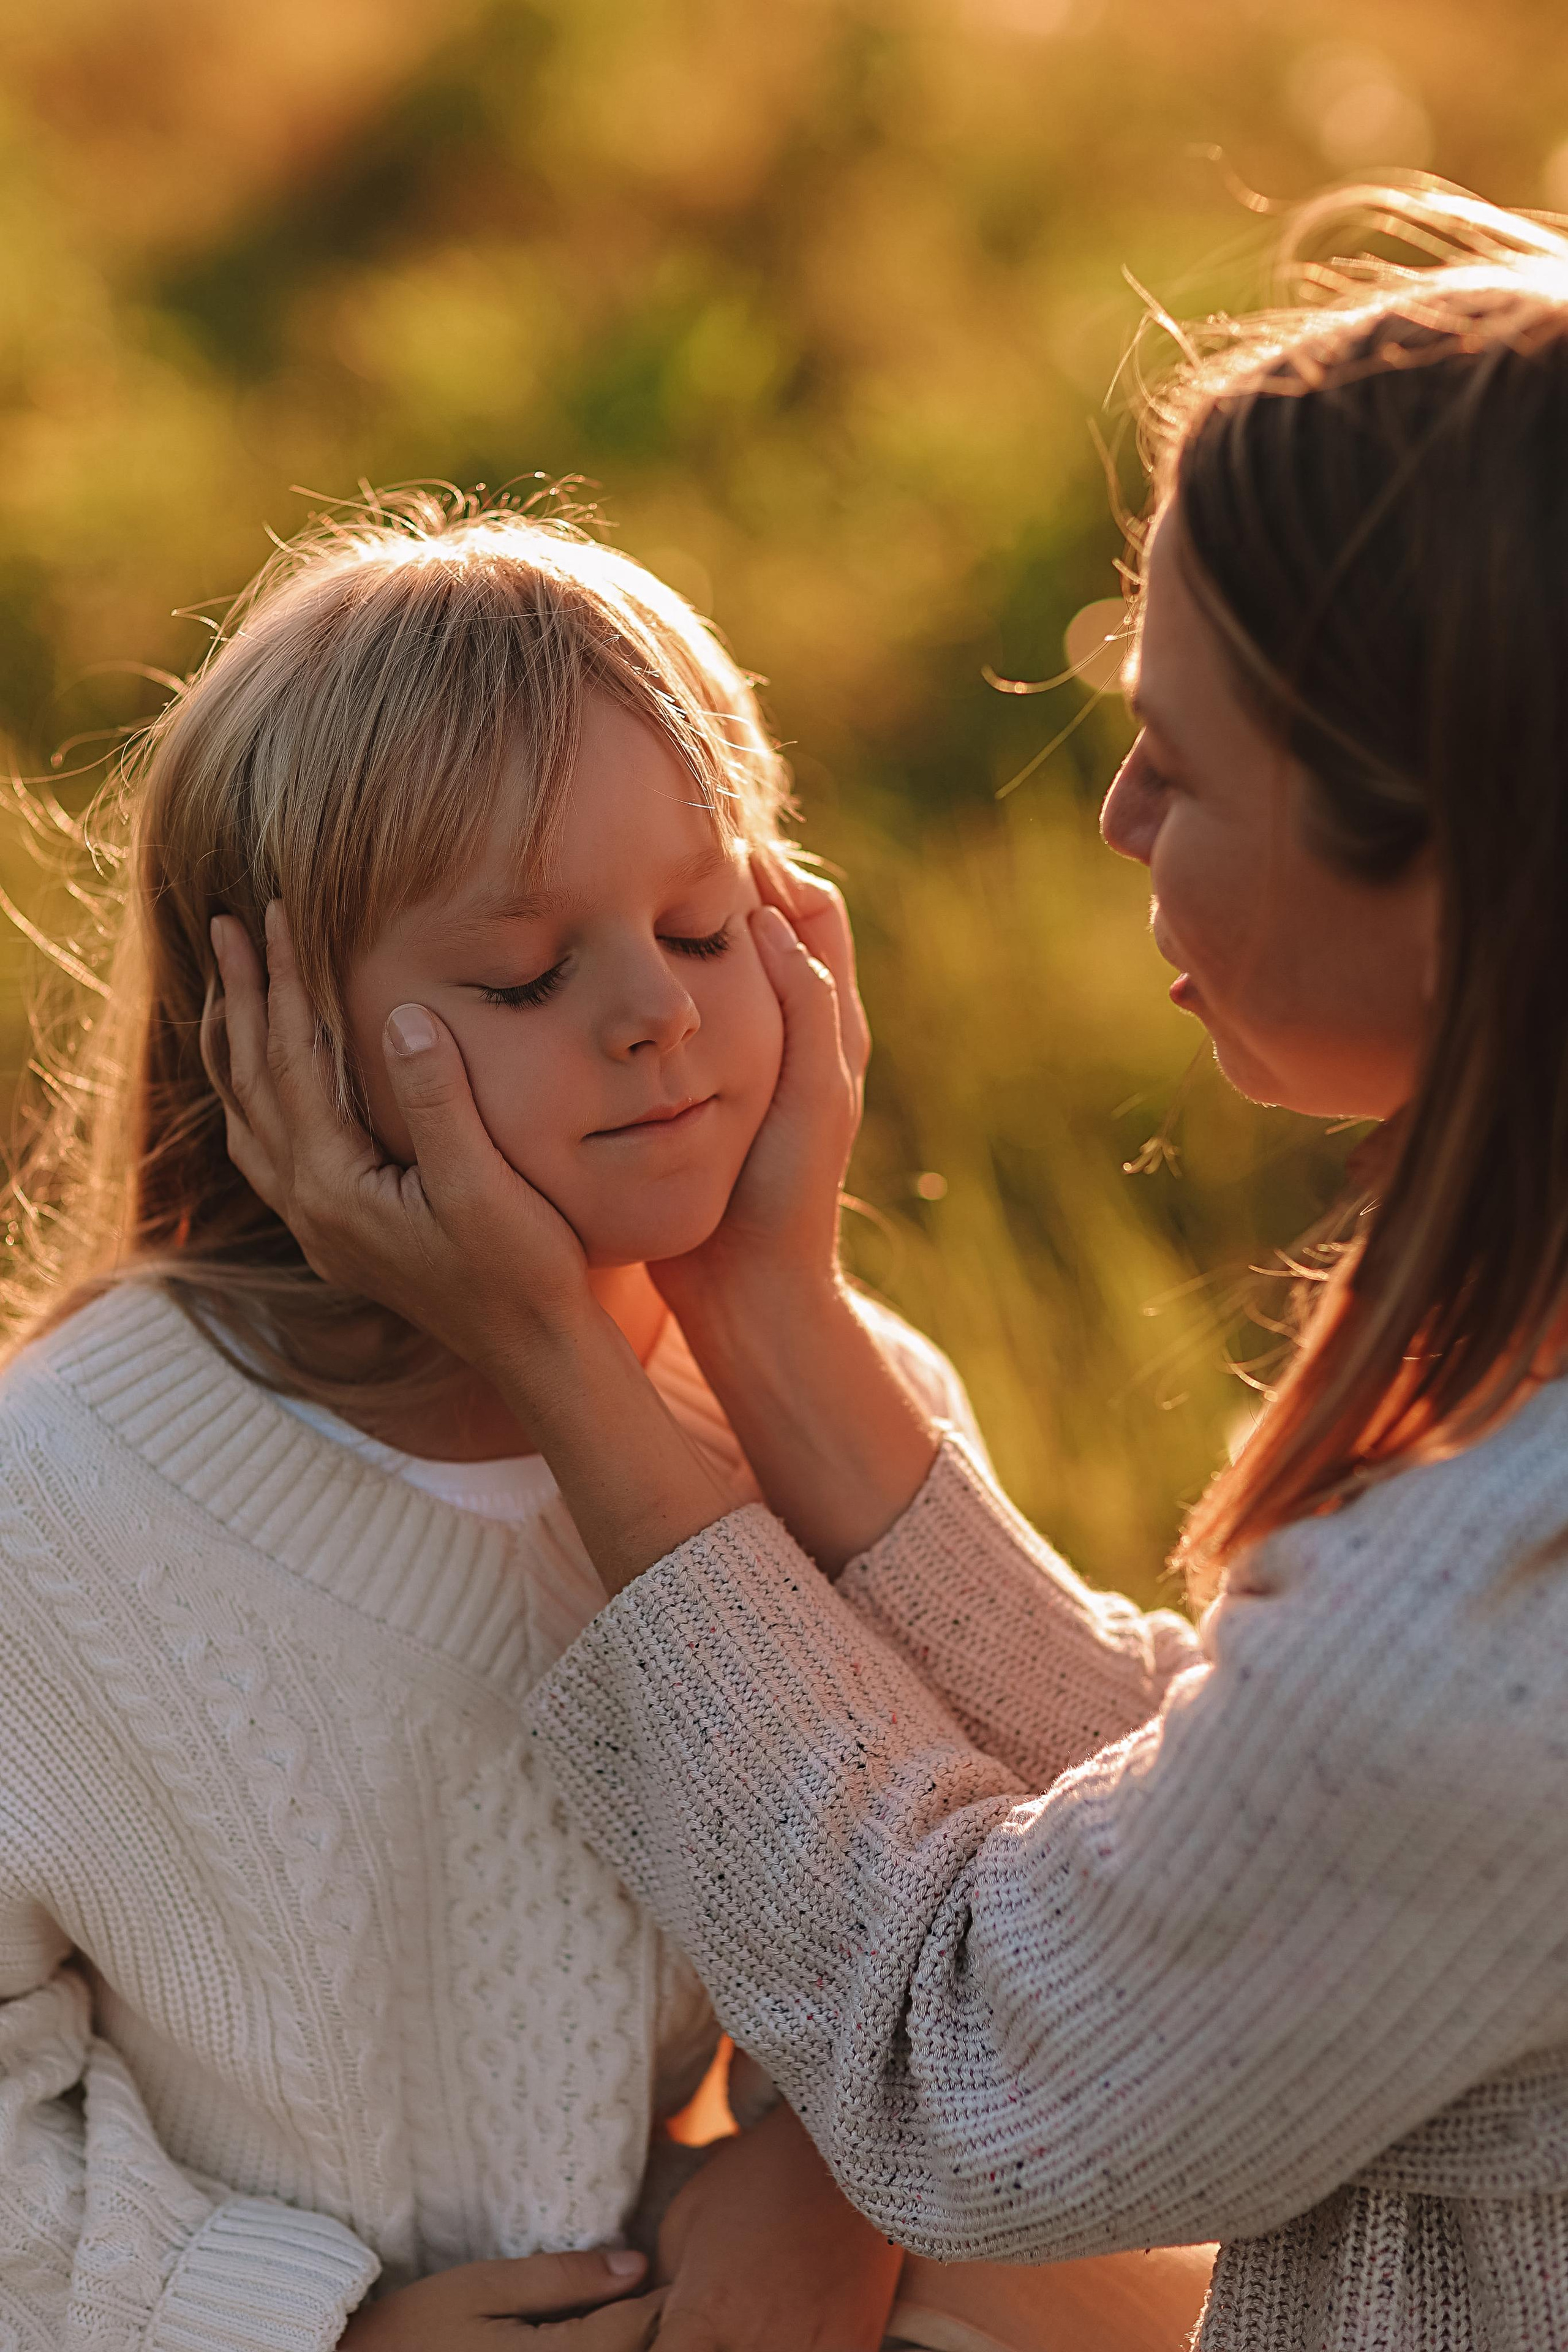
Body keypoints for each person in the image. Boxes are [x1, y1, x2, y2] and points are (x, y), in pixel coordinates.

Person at [221, 184, 1568, 2351]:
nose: (1118, 819)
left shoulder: (1498, 1610)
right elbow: (1235, 1842)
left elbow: (985, 2065)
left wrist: (574, 1371)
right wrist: (765, 1319)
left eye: (1182, 756)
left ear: (1452, 854)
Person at [0, 498, 1013, 2352]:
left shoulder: (835, 1403)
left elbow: (1018, 1915)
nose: (652, 1016)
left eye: (704, 925)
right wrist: (314, 2331)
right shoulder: (57, 1502)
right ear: (277, 1038)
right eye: (527, 974)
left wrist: (824, 2185)